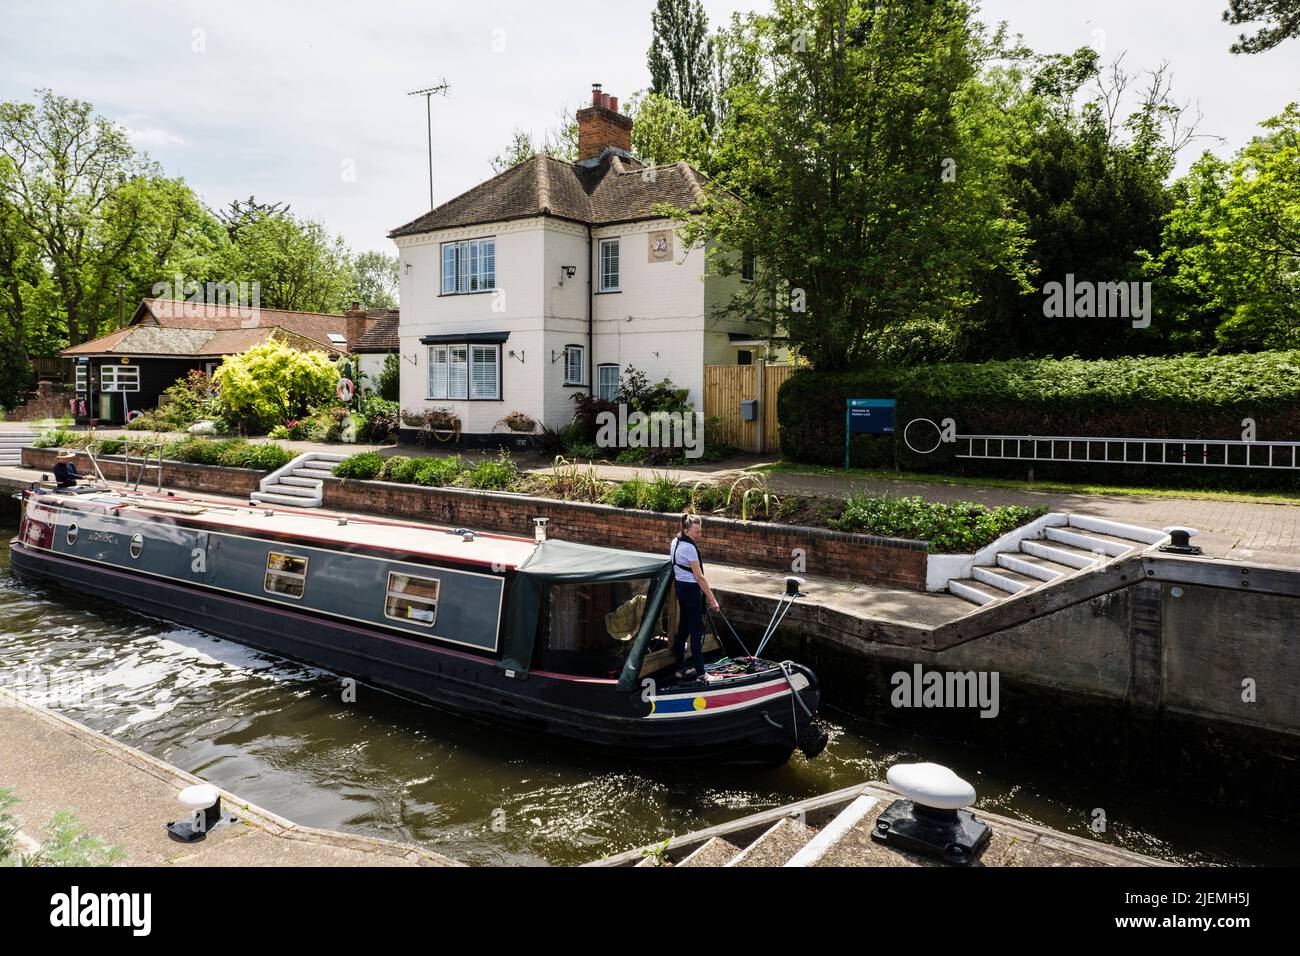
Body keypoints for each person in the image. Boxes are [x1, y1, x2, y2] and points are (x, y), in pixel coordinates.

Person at [670, 513, 721, 683]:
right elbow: (700, 577)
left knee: (683, 630)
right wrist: (712, 600)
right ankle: (702, 674)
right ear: (685, 530)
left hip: (680, 589)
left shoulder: (675, 541)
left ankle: (680, 669)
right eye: (696, 532)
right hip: (691, 590)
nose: (699, 535)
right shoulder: (689, 548)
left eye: (700, 532)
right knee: (696, 633)